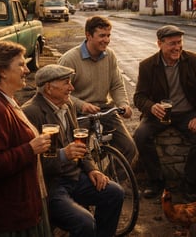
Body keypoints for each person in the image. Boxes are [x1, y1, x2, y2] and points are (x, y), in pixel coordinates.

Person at [22, 64, 124, 237]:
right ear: (48, 87)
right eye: (66, 82)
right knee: (84, 222)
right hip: (52, 185)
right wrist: (64, 155)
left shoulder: (67, 104)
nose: (72, 87)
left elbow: (79, 143)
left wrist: (93, 169)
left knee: (115, 193)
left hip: (75, 177)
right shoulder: (31, 112)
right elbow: (34, 163)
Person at [0, 41, 52, 236]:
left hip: (18, 206)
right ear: (2, 71)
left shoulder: (6, 100)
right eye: (21, 65)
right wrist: (29, 149)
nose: (27, 69)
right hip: (7, 218)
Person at [133, 25, 196, 200]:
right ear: (159, 44)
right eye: (172, 44)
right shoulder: (147, 65)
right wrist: (151, 107)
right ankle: (156, 181)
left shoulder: (192, 60)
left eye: (179, 42)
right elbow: (139, 97)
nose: (177, 47)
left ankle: (190, 183)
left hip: (188, 113)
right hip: (160, 115)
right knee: (141, 135)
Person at [58, 15, 138, 166]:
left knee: (129, 147)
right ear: (88, 35)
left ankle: (110, 181)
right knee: (80, 154)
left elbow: (116, 84)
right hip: (78, 112)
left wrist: (123, 104)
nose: (106, 40)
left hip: (103, 108)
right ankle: (87, 182)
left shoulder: (110, 55)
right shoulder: (69, 59)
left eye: (108, 35)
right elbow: (58, 94)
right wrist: (81, 105)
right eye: (102, 35)